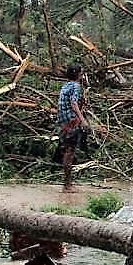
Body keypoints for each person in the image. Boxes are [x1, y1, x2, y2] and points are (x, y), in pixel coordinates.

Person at [57, 64, 90, 193]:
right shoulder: (76, 86)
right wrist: (83, 121)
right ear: (78, 74)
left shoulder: (65, 86)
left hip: (63, 123)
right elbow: (74, 103)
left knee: (67, 151)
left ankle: (67, 184)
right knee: (69, 152)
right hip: (71, 123)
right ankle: (67, 185)